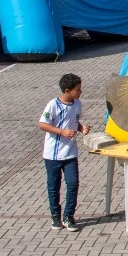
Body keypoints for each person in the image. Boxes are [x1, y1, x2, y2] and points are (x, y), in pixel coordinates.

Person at [38, 73, 89, 232]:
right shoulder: (53, 105)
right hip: (53, 155)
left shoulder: (77, 104)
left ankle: (69, 216)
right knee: (54, 186)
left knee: (73, 183)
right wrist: (62, 132)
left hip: (70, 153)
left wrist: (82, 128)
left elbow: (74, 122)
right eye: (77, 90)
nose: (80, 93)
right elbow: (42, 124)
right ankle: (55, 216)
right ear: (67, 90)